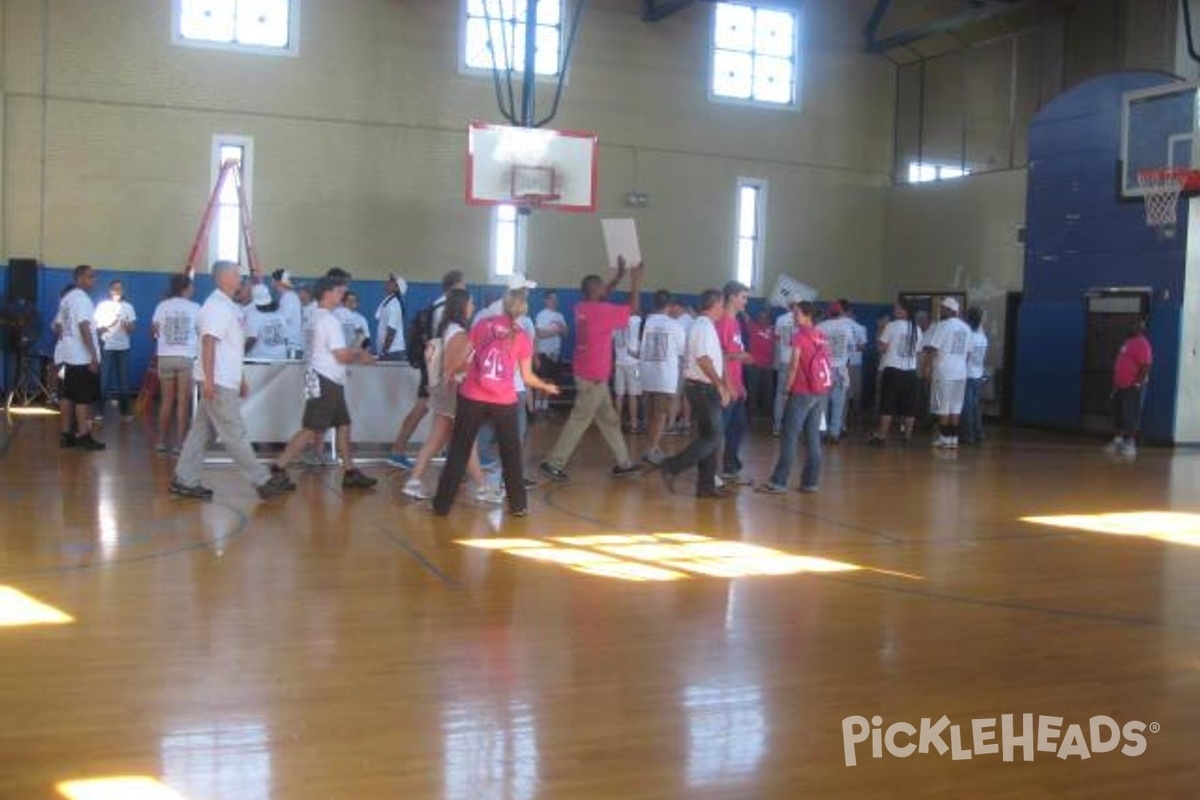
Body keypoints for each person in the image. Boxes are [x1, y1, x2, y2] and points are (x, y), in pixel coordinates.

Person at [432, 282, 560, 516]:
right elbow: (527, 376)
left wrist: (450, 372)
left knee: (459, 451)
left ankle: (441, 505)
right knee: (511, 453)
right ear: (522, 311)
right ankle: (518, 505)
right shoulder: (522, 337)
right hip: (503, 400)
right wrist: (545, 385)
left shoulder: (482, 325)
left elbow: (465, 356)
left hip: (472, 396)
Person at [171, 260, 294, 500]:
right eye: (238, 275)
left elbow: (232, 348)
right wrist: (208, 380)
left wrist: (242, 378)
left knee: (202, 432)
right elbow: (208, 343)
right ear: (225, 278)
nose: (241, 279)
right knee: (234, 432)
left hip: (224, 379)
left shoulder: (229, 306)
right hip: (217, 383)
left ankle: (184, 478)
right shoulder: (216, 307)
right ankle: (262, 480)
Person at [539, 259, 643, 481]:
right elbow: (632, 309)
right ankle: (553, 462)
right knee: (580, 419)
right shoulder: (602, 312)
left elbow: (603, 293)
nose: (606, 288)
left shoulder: (582, 307)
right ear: (596, 291)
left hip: (590, 375)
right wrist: (635, 279)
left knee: (609, 420)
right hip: (593, 378)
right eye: (602, 286)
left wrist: (618, 277)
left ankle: (624, 463)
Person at [270, 277, 378, 489]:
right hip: (326, 379)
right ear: (327, 293)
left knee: (344, 425)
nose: (342, 295)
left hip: (318, 376)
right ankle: (278, 468)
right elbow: (341, 356)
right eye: (339, 291)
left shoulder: (312, 317)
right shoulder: (329, 321)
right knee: (311, 429)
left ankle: (349, 471)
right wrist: (361, 357)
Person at [402, 289, 500, 503]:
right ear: (462, 307)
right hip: (455, 393)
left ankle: (414, 482)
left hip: (445, 394)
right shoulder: (458, 334)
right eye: (470, 303)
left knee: (436, 442)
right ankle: (483, 487)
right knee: (467, 442)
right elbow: (452, 368)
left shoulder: (448, 329)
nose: (473, 307)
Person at [388, 270, 465, 468]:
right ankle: (399, 451)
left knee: (434, 410)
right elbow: (443, 341)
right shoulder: (445, 308)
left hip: (433, 366)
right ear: (456, 286)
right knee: (436, 410)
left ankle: (400, 451)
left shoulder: (436, 305)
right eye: (463, 285)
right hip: (437, 367)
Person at [659, 289, 731, 498]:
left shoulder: (705, 325)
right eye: (722, 305)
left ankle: (705, 486)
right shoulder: (702, 326)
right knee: (714, 436)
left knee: (709, 437)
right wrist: (719, 384)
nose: (724, 310)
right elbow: (703, 359)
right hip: (703, 388)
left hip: (702, 387)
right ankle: (671, 467)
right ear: (715, 305)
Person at [758, 301, 831, 494]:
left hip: (801, 392)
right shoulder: (822, 336)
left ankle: (778, 482)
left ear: (808, 316)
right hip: (820, 392)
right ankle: (810, 482)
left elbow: (793, 366)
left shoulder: (799, 336)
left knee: (789, 437)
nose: (794, 317)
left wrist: (786, 390)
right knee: (813, 437)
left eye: (797, 313)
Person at [57, 265, 106, 450]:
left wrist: (65, 346)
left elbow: (59, 326)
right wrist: (93, 356)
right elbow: (84, 327)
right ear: (79, 279)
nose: (94, 279)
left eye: (94, 276)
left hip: (69, 355)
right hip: (82, 357)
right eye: (90, 276)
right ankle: (83, 436)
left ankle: (66, 435)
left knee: (68, 395)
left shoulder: (66, 299)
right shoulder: (83, 300)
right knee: (83, 398)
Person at [151, 275, 201, 454]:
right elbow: (201, 332)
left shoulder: (162, 305)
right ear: (186, 288)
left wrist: (164, 338)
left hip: (165, 356)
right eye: (192, 286)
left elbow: (154, 330)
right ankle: (180, 444)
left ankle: (161, 441)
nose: (193, 290)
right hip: (186, 357)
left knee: (166, 401)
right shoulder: (195, 308)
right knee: (182, 403)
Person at [638, 290, 686, 466]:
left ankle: (652, 447)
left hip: (646, 375)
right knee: (660, 416)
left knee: (651, 415)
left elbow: (637, 348)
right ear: (670, 305)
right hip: (664, 377)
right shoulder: (675, 326)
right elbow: (682, 351)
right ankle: (652, 450)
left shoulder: (646, 321)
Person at [870, 301, 922, 445]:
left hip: (893, 370)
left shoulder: (891, 326)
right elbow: (918, 351)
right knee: (909, 407)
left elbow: (881, 348)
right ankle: (907, 436)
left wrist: (880, 328)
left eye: (898, 309)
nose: (895, 311)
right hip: (910, 371)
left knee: (887, 404)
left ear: (905, 311)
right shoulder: (916, 328)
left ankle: (882, 436)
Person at [922, 297, 972, 449]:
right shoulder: (966, 328)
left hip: (945, 371)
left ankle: (944, 438)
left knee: (943, 406)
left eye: (943, 308)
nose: (941, 311)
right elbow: (969, 353)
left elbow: (933, 349)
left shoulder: (943, 326)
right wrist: (961, 365)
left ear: (951, 310)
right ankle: (953, 439)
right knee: (956, 407)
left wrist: (927, 367)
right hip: (961, 373)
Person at [717, 281, 752, 484]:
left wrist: (741, 384)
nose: (746, 302)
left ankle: (730, 466)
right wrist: (728, 385)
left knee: (738, 426)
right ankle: (711, 471)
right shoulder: (724, 322)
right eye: (743, 297)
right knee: (718, 429)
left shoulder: (736, 322)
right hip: (726, 386)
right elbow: (721, 355)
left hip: (736, 385)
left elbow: (733, 354)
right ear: (731, 297)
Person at [1107, 320, 1153, 460]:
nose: (1132, 327)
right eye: (1132, 324)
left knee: (1131, 415)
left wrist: (1138, 383)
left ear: (1141, 328)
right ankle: (1118, 442)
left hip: (1132, 386)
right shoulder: (1128, 342)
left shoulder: (1142, 343)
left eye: (1136, 325)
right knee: (1118, 413)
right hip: (1120, 385)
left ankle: (1130, 445)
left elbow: (1146, 365)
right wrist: (1115, 384)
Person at [94, 280, 137, 419]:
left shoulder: (128, 307)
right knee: (103, 380)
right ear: (109, 291)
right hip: (107, 346)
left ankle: (125, 411)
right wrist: (109, 324)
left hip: (123, 347)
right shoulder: (102, 306)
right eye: (114, 289)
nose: (117, 291)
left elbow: (132, 329)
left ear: (123, 291)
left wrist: (126, 325)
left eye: (119, 289)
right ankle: (99, 411)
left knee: (123, 381)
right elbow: (96, 329)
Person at [816, 301, 856, 444]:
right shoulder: (847, 328)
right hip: (840, 369)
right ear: (841, 313)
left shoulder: (820, 326)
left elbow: (814, 347)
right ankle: (834, 434)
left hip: (823, 370)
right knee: (839, 404)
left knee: (822, 404)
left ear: (829, 312)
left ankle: (821, 432)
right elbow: (853, 346)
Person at [533, 290, 567, 415]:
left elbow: (566, 333)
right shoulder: (541, 315)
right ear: (546, 300)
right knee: (541, 382)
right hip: (543, 353)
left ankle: (545, 407)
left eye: (556, 299)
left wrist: (561, 329)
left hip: (555, 355)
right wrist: (556, 331)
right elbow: (540, 334)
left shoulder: (560, 316)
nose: (555, 301)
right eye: (552, 299)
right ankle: (537, 408)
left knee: (551, 382)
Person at [961, 307, 989, 445]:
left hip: (968, 375)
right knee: (976, 406)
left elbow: (966, 357)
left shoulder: (969, 336)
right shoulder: (982, 336)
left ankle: (968, 435)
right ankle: (979, 433)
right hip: (978, 374)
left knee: (967, 406)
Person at [613, 312, 644, 433]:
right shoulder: (635, 320)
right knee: (633, 395)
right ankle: (633, 424)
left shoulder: (616, 323)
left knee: (619, 395)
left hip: (619, 362)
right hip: (633, 363)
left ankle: (617, 422)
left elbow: (611, 340)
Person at [842, 300, 869, 432]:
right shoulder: (839, 327)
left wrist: (850, 346)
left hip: (853, 363)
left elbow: (863, 347)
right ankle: (843, 420)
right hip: (843, 363)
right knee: (844, 393)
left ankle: (854, 414)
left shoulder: (859, 327)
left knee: (855, 392)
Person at [243, 284, 289, 360]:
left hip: (262, 358)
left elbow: (252, 339)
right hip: (282, 357)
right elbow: (285, 338)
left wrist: (241, 354)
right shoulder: (279, 311)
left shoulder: (254, 314)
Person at [745, 308, 775, 419]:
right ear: (757, 319)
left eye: (765, 317)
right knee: (752, 390)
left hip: (767, 366)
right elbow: (745, 316)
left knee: (767, 390)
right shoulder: (753, 326)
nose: (763, 319)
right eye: (760, 317)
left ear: (768, 318)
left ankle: (766, 412)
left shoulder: (772, 329)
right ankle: (752, 412)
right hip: (754, 365)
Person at [773, 302, 797, 435]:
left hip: (783, 360)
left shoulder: (780, 319)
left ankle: (777, 425)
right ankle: (793, 427)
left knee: (780, 394)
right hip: (796, 362)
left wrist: (776, 362)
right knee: (796, 395)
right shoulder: (801, 318)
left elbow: (776, 342)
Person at [375, 272, 407, 361]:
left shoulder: (394, 304)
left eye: (391, 281)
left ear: (397, 288)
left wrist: (384, 352)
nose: (387, 282)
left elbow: (392, 330)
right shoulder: (389, 302)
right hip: (391, 352)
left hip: (393, 353)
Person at [271, 269, 303, 355]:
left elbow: (282, 319)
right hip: (288, 345)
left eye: (273, 281)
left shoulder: (289, 298)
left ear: (277, 282)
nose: (272, 284)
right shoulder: (287, 297)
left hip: (291, 346)